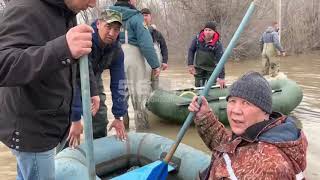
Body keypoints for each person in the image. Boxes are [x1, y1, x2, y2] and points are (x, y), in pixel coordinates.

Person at [0, 0, 96, 179]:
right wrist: (62, 48)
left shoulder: (65, 13)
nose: (93, 4)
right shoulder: (25, 7)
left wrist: (93, 91)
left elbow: (71, 59)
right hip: (32, 130)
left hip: (50, 124)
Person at [188, 71, 307, 179]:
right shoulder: (254, 136)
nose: (236, 110)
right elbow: (228, 146)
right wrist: (204, 116)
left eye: (246, 103)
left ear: (265, 111)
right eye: (232, 101)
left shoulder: (268, 165)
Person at [71, 9, 127, 141]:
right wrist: (75, 117)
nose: (112, 33)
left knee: (100, 118)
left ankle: (98, 150)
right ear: (98, 24)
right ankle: (66, 153)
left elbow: (119, 83)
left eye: (116, 29)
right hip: (69, 78)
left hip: (94, 78)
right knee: (69, 120)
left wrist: (119, 116)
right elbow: (75, 79)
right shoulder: (85, 41)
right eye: (108, 27)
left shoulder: (117, 50)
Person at [110, 0, 161, 130]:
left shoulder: (109, 14)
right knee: (139, 95)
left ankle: (123, 128)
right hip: (133, 55)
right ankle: (142, 132)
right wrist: (155, 65)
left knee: (121, 93)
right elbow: (146, 44)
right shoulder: (136, 17)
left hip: (115, 55)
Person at [188, 20, 226, 88]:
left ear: (214, 31)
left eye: (210, 30)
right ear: (204, 30)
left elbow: (221, 61)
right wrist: (190, 64)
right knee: (198, 87)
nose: (207, 32)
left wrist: (221, 77)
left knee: (210, 88)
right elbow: (191, 50)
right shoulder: (197, 39)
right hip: (199, 68)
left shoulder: (217, 44)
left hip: (211, 70)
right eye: (206, 30)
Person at [141, 7, 169, 90]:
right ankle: (144, 102)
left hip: (155, 64)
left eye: (146, 15)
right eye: (142, 15)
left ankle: (155, 100)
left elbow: (164, 47)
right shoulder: (137, 32)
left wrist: (165, 61)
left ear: (150, 17)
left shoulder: (156, 33)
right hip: (142, 64)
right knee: (143, 85)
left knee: (155, 84)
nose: (144, 17)